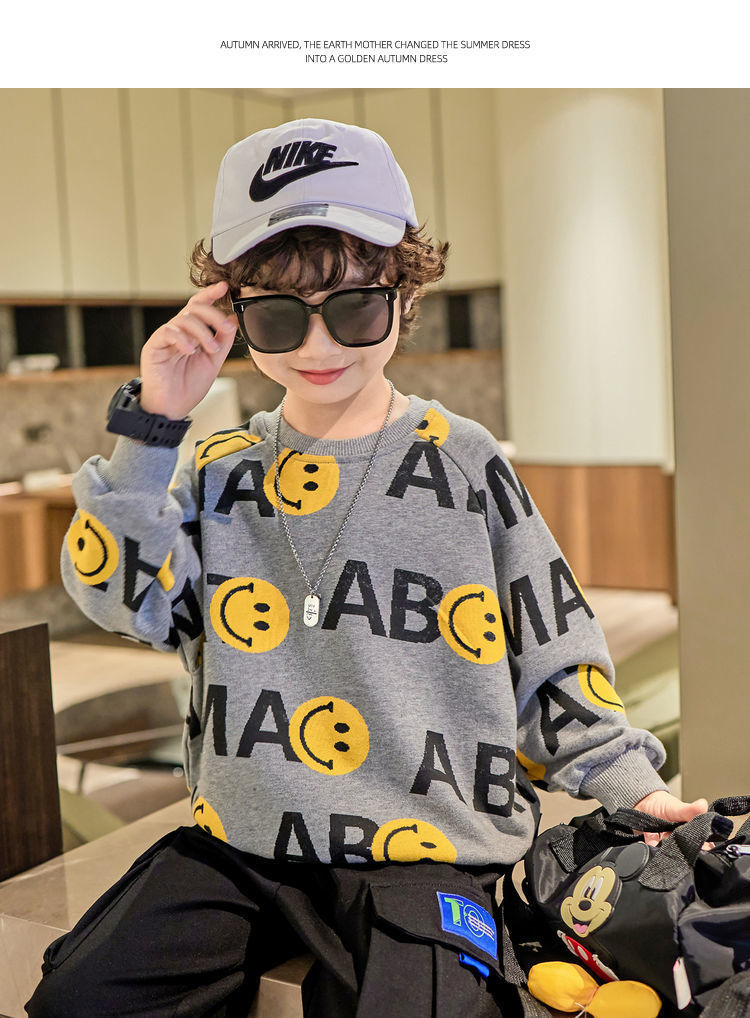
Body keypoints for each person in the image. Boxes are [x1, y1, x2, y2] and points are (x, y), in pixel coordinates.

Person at [27, 118, 707, 1018]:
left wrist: (632, 786)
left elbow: (552, 645)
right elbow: (119, 600)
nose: (318, 348)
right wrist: (153, 426)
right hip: (244, 840)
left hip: (429, 843)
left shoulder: (463, 462)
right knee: (81, 998)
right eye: (277, 315)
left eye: (354, 308)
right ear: (232, 314)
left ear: (404, 293)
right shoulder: (218, 467)